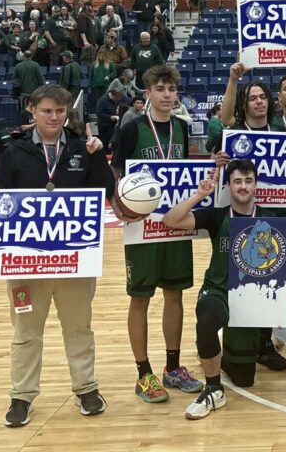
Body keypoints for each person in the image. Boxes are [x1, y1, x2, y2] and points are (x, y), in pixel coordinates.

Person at [0, 84, 114, 427]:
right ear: (32, 110)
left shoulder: (81, 147)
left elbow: (107, 192)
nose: (54, 117)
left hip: (74, 258)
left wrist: (99, 155)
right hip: (25, 259)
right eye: (47, 111)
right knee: (26, 330)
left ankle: (86, 389)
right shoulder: (14, 152)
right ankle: (21, 396)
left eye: (60, 111)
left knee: (79, 328)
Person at [110, 65, 203, 405]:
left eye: (171, 89)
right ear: (147, 93)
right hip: (142, 227)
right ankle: (143, 372)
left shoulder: (181, 127)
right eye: (159, 88)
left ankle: (173, 367)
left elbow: (185, 171)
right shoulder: (132, 129)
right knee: (141, 298)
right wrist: (119, 206)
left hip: (175, 224)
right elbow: (116, 171)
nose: (166, 94)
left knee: (176, 295)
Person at [161, 158, 268, 416]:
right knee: (206, 320)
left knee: (245, 379)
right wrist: (199, 195)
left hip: (251, 298)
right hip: (218, 290)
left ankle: (229, 359)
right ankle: (213, 389)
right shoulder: (217, 215)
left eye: (248, 181)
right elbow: (170, 220)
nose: (243, 187)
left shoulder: (269, 219)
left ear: (256, 185)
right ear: (229, 186)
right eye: (237, 182)